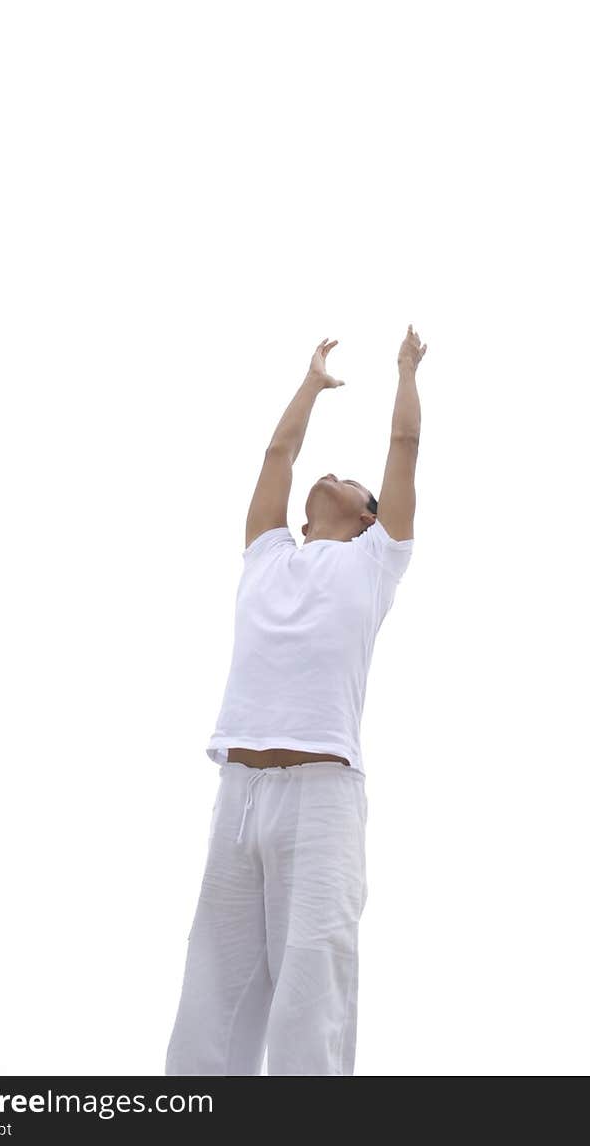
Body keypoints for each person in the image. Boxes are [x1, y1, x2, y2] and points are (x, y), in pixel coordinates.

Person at [164, 325, 427, 1077]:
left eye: (350, 479)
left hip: (321, 796)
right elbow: (278, 456)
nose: (331, 472)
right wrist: (309, 385)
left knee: (312, 993)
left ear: (369, 517)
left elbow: (405, 442)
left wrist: (405, 368)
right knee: (210, 1000)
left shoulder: (376, 561)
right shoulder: (267, 551)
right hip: (239, 793)